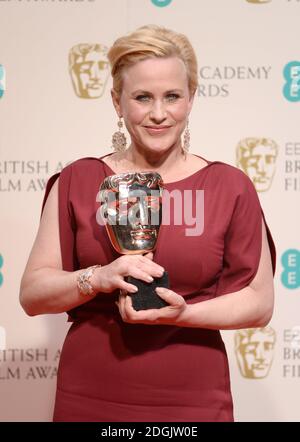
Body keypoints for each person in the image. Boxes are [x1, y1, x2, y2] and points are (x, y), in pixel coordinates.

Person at [19, 24, 276, 422]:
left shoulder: (230, 187)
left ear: (191, 98)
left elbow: (259, 304)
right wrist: (99, 277)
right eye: (142, 97)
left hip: (194, 397)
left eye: (172, 96)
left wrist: (183, 314)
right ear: (117, 103)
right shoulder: (78, 180)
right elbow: (34, 294)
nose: (158, 113)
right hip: (90, 393)